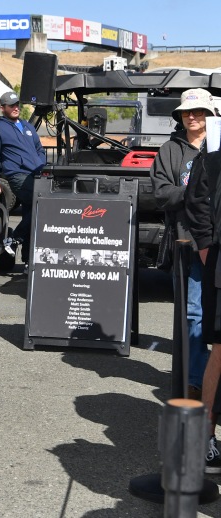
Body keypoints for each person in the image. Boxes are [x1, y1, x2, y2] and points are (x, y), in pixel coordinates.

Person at [151, 88, 214, 402]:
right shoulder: (170, 150)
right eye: (188, 112)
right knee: (193, 314)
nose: (193, 116)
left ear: (208, 115)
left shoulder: (217, 145)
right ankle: (195, 382)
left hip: (217, 243)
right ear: (180, 116)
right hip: (187, 241)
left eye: (199, 111)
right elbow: (160, 193)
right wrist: (193, 195)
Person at [185, 99, 221, 475]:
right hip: (217, 261)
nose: (193, 117)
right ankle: (207, 437)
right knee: (219, 347)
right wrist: (209, 248)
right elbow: (196, 202)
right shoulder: (211, 150)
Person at [0, 90, 46, 271]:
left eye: (16, 105)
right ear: (2, 108)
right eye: (11, 105)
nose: (15, 108)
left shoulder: (27, 126)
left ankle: (28, 260)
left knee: (31, 213)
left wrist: (41, 164)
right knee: (41, 206)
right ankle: (14, 239)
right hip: (17, 176)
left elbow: (39, 149)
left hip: (37, 174)